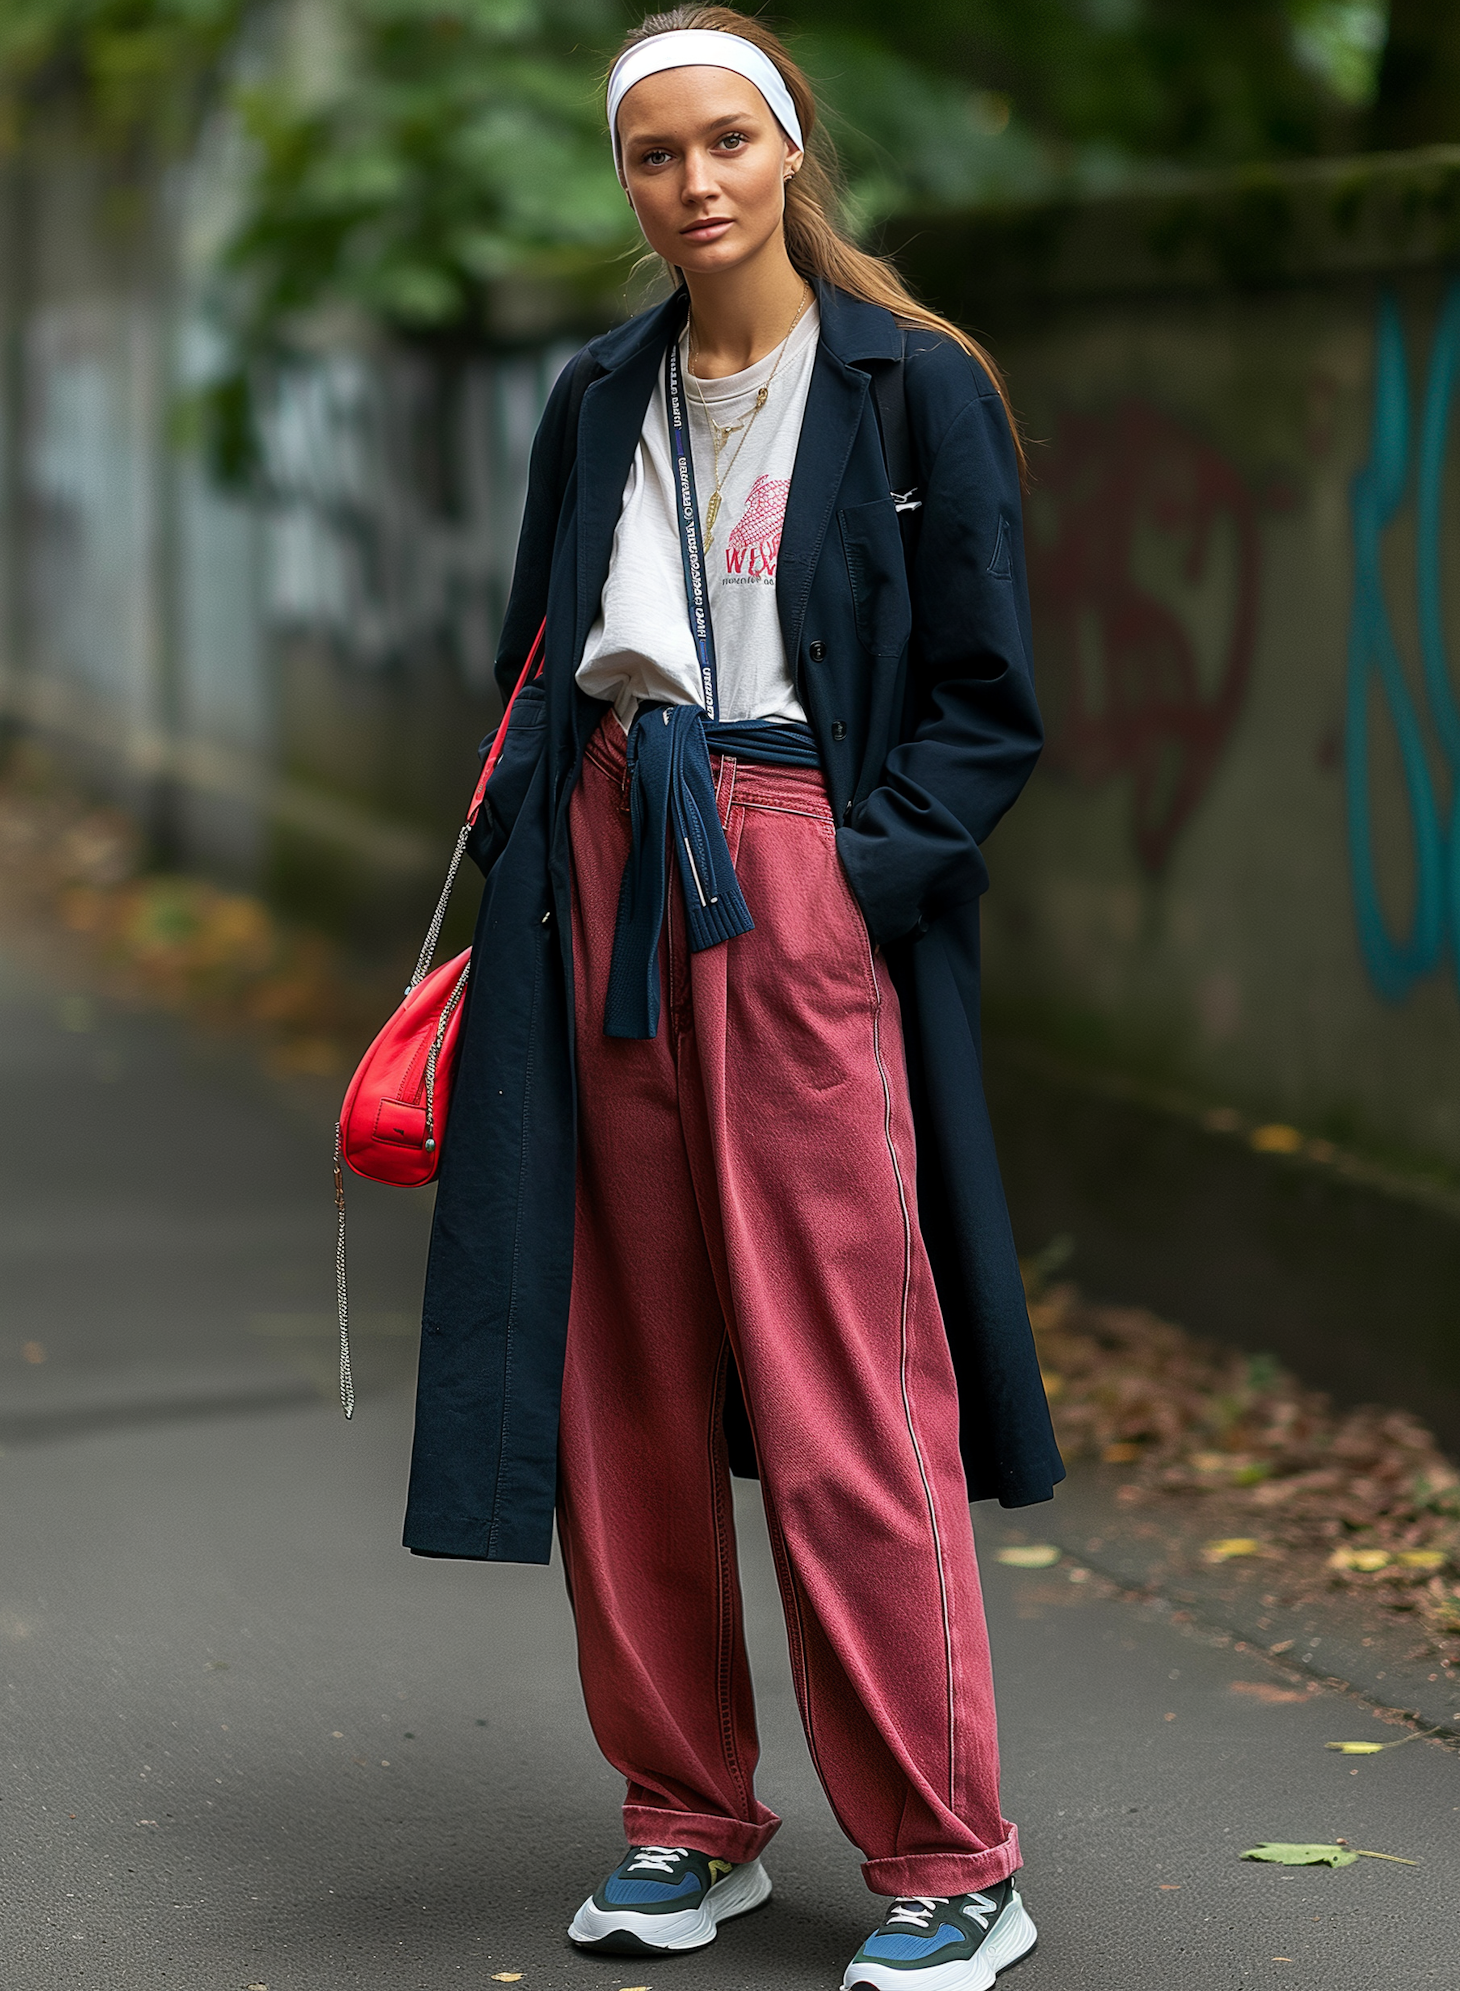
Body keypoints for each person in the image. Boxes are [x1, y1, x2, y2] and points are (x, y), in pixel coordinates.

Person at [402, 8, 1063, 1985]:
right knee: (626, 1375)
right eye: (651, 154)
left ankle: (954, 1858)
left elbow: (985, 704)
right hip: (604, 873)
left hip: (795, 873)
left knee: (843, 1376)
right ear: (626, 178)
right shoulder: (598, 392)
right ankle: (687, 1817)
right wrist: (526, 876)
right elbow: (539, 653)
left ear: (788, 152)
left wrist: (850, 888)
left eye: (723, 144)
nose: (689, 182)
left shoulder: (911, 386)